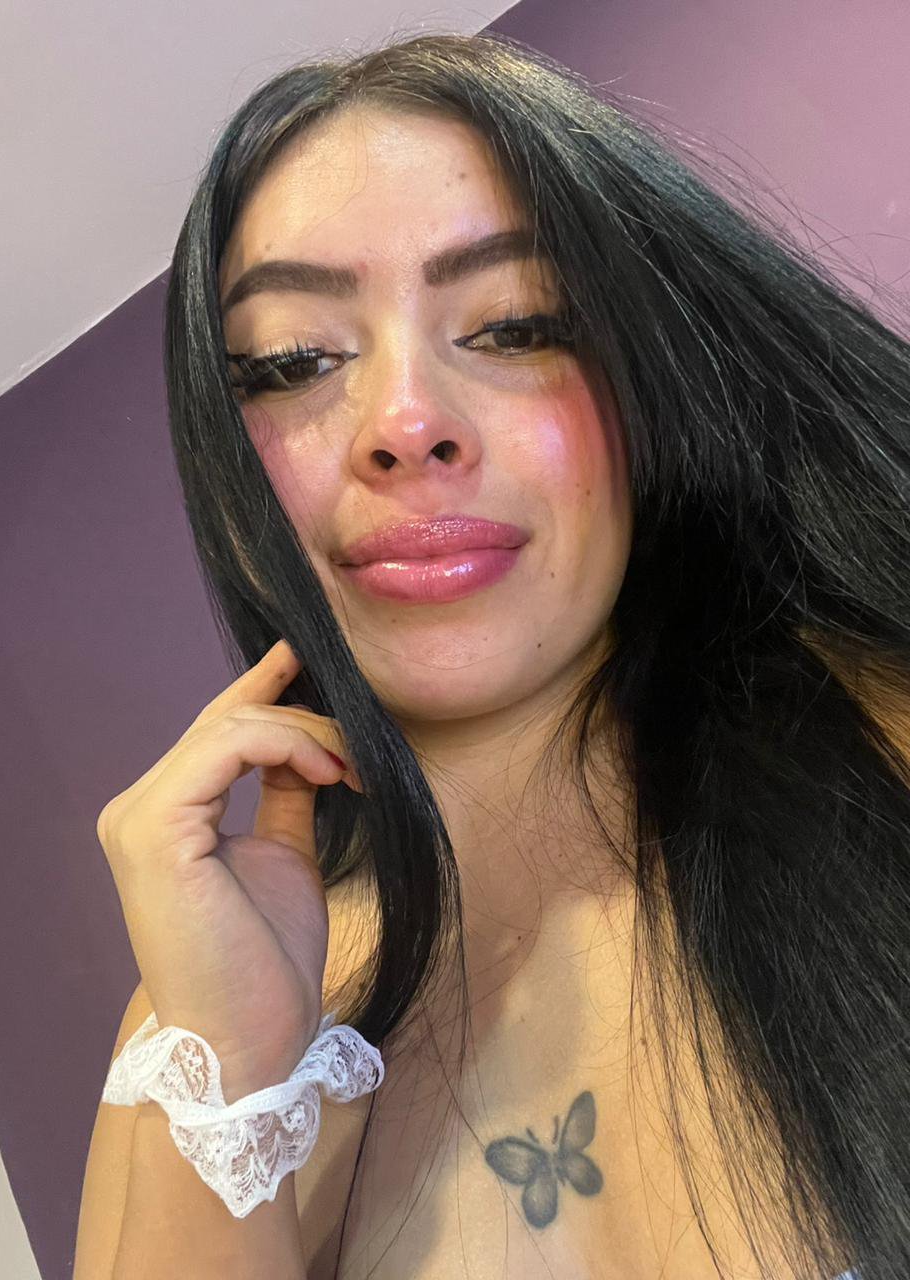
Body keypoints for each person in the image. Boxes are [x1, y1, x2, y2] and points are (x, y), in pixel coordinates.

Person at [75, 30, 909, 1280]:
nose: (406, 423)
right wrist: (237, 1091)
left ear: (646, 386)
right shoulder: (187, 1038)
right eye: (295, 362)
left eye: (516, 326)